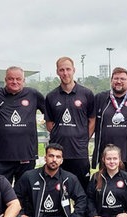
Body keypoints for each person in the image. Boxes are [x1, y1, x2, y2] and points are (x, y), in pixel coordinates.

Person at [14, 143, 87, 217]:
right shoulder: (30, 176)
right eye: (51, 156)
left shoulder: (69, 178)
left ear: (62, 160)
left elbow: (82, 199)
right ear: (45, 157)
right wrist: (20, 213)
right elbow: (16, 196)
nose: (54, 160)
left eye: (58, 157)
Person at [0, 66, 46, 184]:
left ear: (23, 81)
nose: (15, 82)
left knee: (24, 195)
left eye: (18, 79)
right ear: (5, 80)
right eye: (11, 79)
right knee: (0, 193)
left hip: (26, 156)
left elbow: (49, 113)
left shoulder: (33, 94)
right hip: (1, 157)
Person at [45, 56, 95, 191]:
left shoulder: (86, 94)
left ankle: (83, 213)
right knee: (57, 190)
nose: (65, 73)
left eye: (68, 69)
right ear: (57, 72)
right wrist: (61, 135)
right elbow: (49, 123)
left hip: (79, 153)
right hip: (58, 153)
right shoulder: (51, 96)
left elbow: (92, 120)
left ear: (74, 70)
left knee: (82, 191)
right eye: (62, 70)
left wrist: (83, 139)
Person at [92, 67, 127, 175]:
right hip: (107, 159)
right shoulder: (100, 98)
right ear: (111, 81)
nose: (119, 81)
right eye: (116, 78)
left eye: (122, 79)